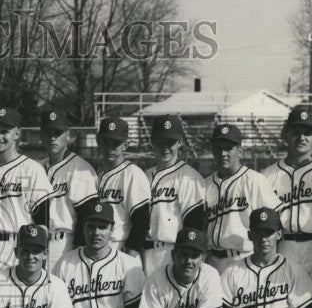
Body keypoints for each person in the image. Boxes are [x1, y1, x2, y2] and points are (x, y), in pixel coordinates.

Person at [0, 107, 55, 275]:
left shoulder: (32, 170)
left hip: (17, 247)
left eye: (4, 132)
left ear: (17, 134)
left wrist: (39, 263)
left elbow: (42, 223)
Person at [262, 105, 312, 280]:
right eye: (295, 132)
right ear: (286, 135)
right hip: (284, 246)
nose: (301, 137)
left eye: (307, 133)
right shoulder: (267, 176)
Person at [203, 123, 281, 274]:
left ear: (239, 151)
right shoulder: (204, 185)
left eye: (228, 148)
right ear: (213, 151)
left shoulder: (255, 180)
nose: (223, 153)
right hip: (211, 262)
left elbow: (275, 223)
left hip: (243, 259)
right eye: (218, 148)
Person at [143, 116, 206, 273]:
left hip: (173, 252)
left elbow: (194, 225)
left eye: (170, 142)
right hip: (145, 252)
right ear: (152, 142)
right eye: (160, 141)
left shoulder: (189, 177)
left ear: (180, 143)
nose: (165, 147)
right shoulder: (144, 176)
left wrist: (185, 258)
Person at [40, 109, 98, 262]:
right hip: (38, 243)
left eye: (57, 133)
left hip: (65, 243)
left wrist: (79, 251)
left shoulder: (80, 169)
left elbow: (87, 215)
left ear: (67, 135)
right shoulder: (37, 168)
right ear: (41, 135)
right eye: (48, 133)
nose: (53, 138)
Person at [94, 116, 151, 261]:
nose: (110, 148)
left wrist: (129, 257)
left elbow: (141, 221)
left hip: (122, 246)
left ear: (125, 145)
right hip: (99, 247)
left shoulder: (133, 174)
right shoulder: (98, 176)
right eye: (106, 142)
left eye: (116, 143)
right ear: (98, 142)